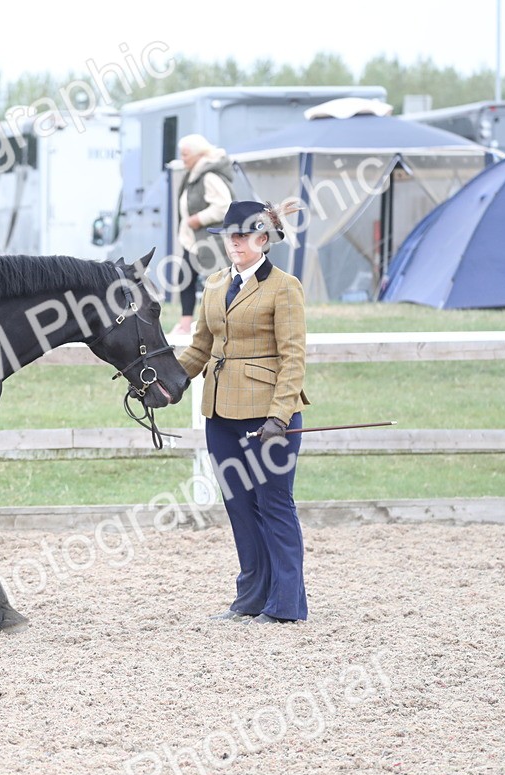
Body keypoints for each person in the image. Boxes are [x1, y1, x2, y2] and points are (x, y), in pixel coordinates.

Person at [177, 199, 310, 624]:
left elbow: (293, 358)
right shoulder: (215, 284)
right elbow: (200, 347)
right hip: (220, 413)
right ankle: (251, 598)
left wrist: (280, 416)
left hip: (267, 416)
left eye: (243, 236)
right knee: (239, 507)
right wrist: (167, 383)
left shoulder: (284, 287)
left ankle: (286, 605)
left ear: (263, 239)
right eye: (229, 236)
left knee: (274, 505)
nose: (234, 243)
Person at [170, 134, 234, 335]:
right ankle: (185, 325)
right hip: (193, 241)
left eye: (185, 154)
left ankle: (221, 324)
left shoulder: (209, 176)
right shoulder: (192, 175)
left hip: (211, 240)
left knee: (217, 283)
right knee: (185, 277)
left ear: (198, 154)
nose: (182, 159)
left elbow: (224, 206)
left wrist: (199, 218)